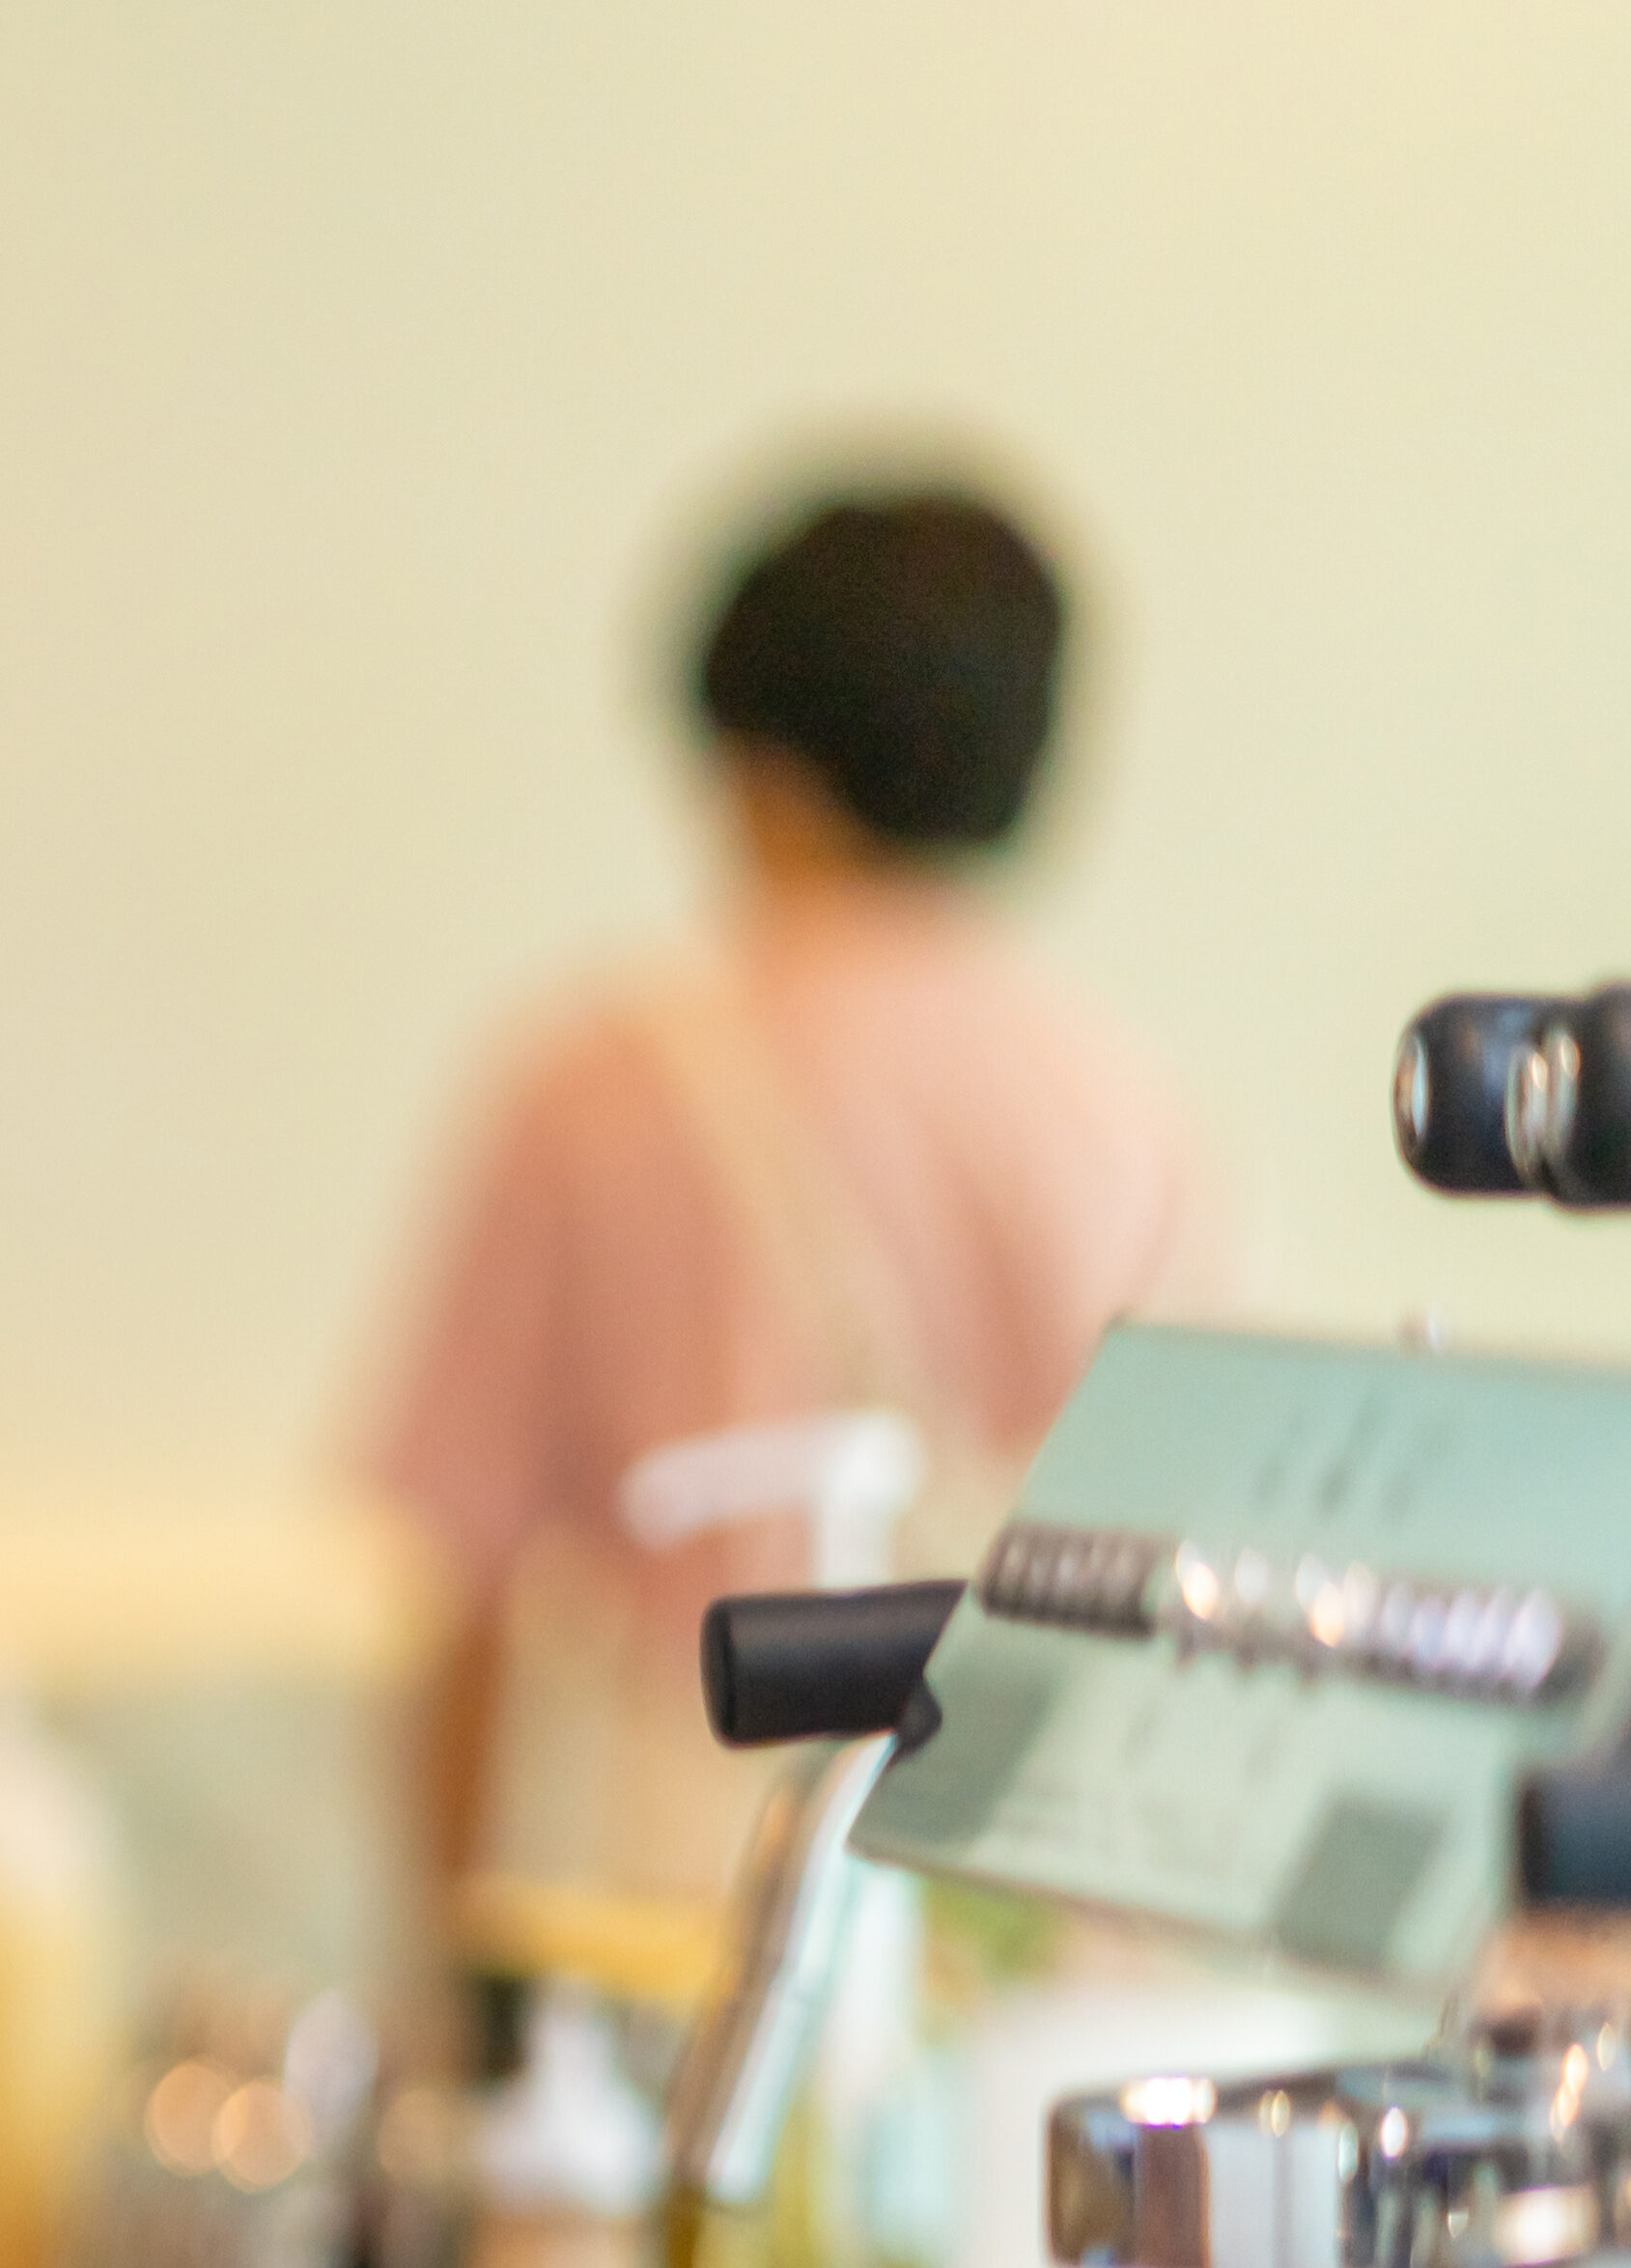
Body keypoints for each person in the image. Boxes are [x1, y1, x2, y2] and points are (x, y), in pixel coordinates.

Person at [368, 482, 1224, 1940]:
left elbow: (463, 1590)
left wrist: (458, 1973)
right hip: (1032, 1914)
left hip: (692, 1923)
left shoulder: (593, 1088)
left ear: (754, 763)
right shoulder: (1123, 1104)